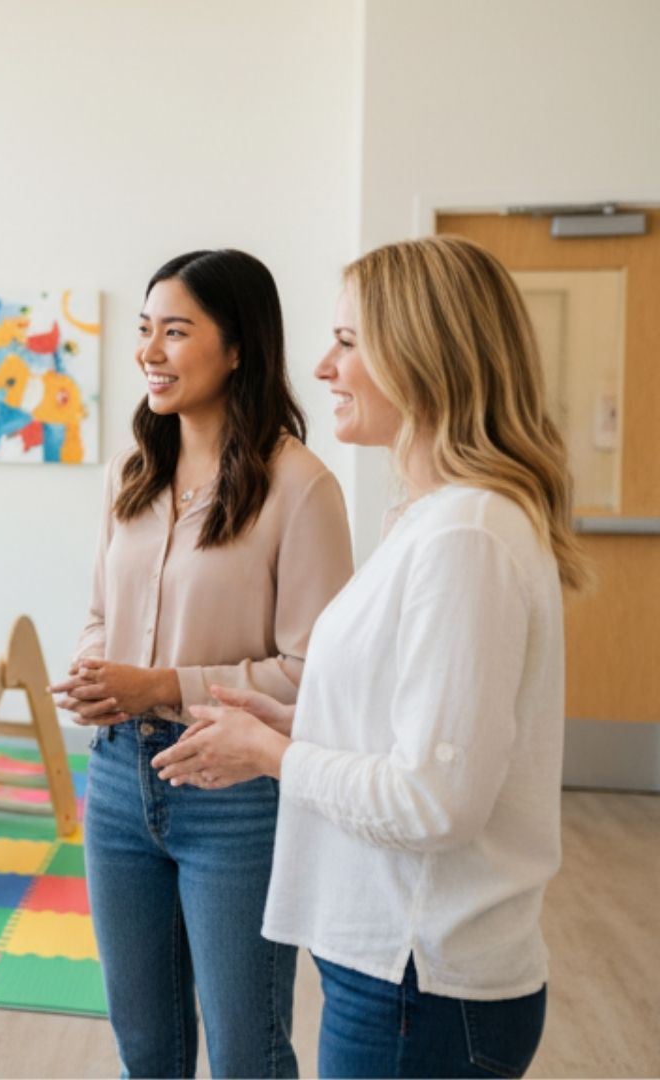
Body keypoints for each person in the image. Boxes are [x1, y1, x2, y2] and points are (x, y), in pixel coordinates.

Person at [155, 235, 589, 1079]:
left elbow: (434, 802)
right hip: (394, 975)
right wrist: (288, 720)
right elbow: (408, 728)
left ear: (423, 354)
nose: (322, 366)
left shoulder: (466, 536)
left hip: (423, 983)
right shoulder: (430, 519)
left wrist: (276, 755)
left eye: (348, 342)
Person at [52, 249, 353, 1077]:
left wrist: (163, 687)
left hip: (236, 798)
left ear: (238, 348)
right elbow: (101, 616)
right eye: (145, 329)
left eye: (175, 331)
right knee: (144, 1048)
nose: (150, 350)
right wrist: (94, 675)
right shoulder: (131, 473)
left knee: (246, 1052)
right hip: (116, 783)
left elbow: (313, 673)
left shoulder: (301, 488)